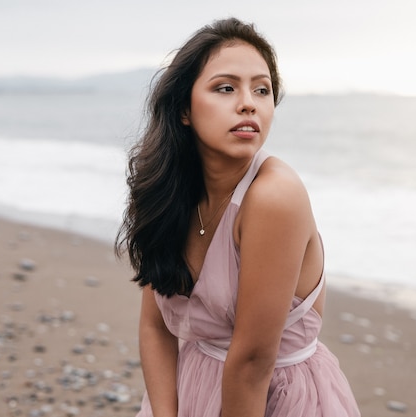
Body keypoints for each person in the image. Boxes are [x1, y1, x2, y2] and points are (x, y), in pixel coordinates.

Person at [116, 17, 360, 417]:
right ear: (184, 110)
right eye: (225, 88)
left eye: (262, 90)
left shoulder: (274, 196)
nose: (249, 102)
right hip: (193, 384)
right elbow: (155, 325)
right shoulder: (170, 190)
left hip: (274, 398)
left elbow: (250, 364)